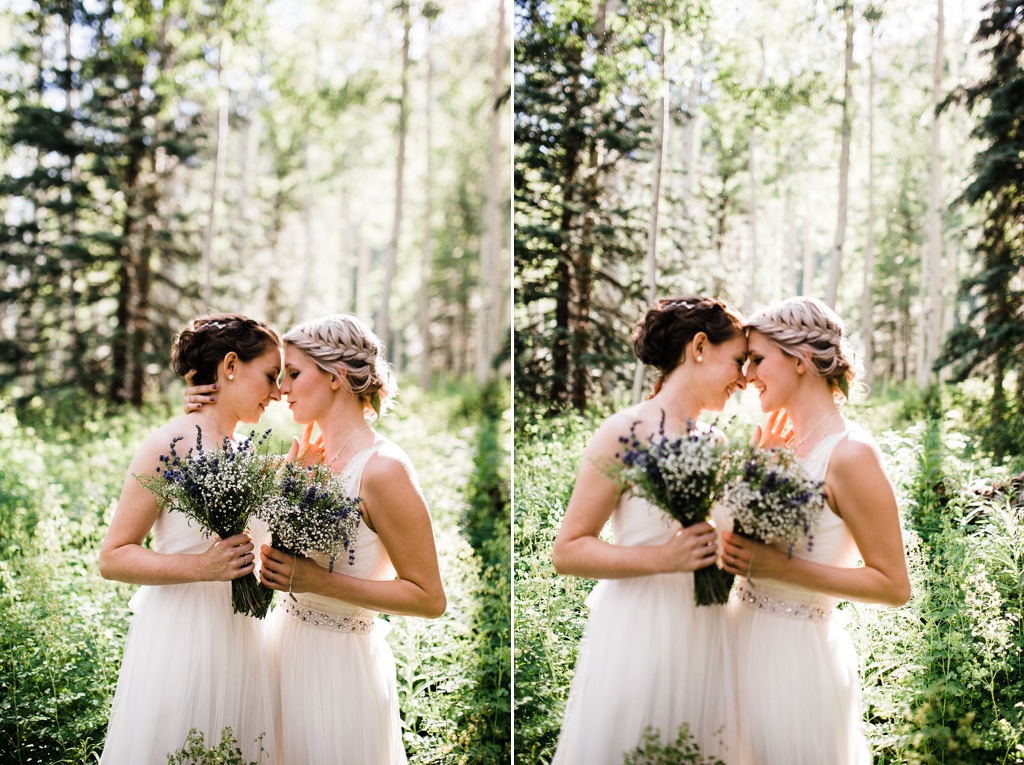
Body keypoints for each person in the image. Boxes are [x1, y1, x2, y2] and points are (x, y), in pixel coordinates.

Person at [187, 313, 446, 764]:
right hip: (276, 656)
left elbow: (429, 598)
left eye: (293, 374)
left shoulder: (384, 469)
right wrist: (201, 409)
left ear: (337, 377)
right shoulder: (304, 455)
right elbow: (211, 471)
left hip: (338, 671)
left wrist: (319, 583)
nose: (281, 388)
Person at [549, 296, 748, 765]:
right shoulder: (624, 431)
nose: (743, 378)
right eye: (738, 361)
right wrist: (663, 559)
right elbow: (569, 550)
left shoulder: (716, 441)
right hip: (641, 628)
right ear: (700, 347)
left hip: (708, 626)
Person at [720, 296, 911, 765]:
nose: (746, 377)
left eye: (758, 360)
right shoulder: (774, 441)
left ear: (801, 360)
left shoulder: (851, 453)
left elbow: (894, 585)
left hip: (796, 660)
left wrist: (782, 567)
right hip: (735, 644)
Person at [98, 313, 282, 764]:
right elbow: (113, 557)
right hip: (181, 638)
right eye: (271, 376)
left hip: (243, 640)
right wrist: (203, 567)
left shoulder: (248, 453)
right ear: (231, 366)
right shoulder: (167, 444)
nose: (278, 392)